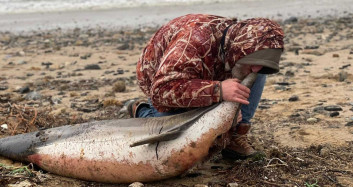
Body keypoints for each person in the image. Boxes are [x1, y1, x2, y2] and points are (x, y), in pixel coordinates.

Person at [128, 14, 284, 159]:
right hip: (163, 81)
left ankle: (235, 135)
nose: (257, 69)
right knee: (174, 140)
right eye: (254, 60)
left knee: (255, 69)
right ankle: (141, 110)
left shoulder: (237, 46)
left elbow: (251, 67)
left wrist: (230, 112)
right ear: (239, 47)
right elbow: (161, 90)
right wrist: (218, 91)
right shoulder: (192, 43)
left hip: (211, 75)